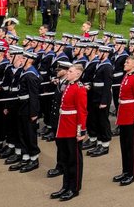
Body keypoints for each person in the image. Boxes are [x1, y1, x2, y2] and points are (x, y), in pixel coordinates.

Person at [52, 62, 87, 202]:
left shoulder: (79, 88)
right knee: (65, 159)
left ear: (78, 74)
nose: (68, 72)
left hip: (72, 128)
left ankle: (74, 187)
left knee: (74, 160)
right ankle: (65, 185)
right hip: (64, 126)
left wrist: (80, 131)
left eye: (71, 71)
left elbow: (82, 111)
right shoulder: (69, 85)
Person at [114, 56, 134, 186]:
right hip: (124, 115)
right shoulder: (127, 76)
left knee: (131, 147)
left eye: (127, 62)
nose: (125, 64)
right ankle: (125, 171)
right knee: (124, 146)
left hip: (132, 116)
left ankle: (132, 173)